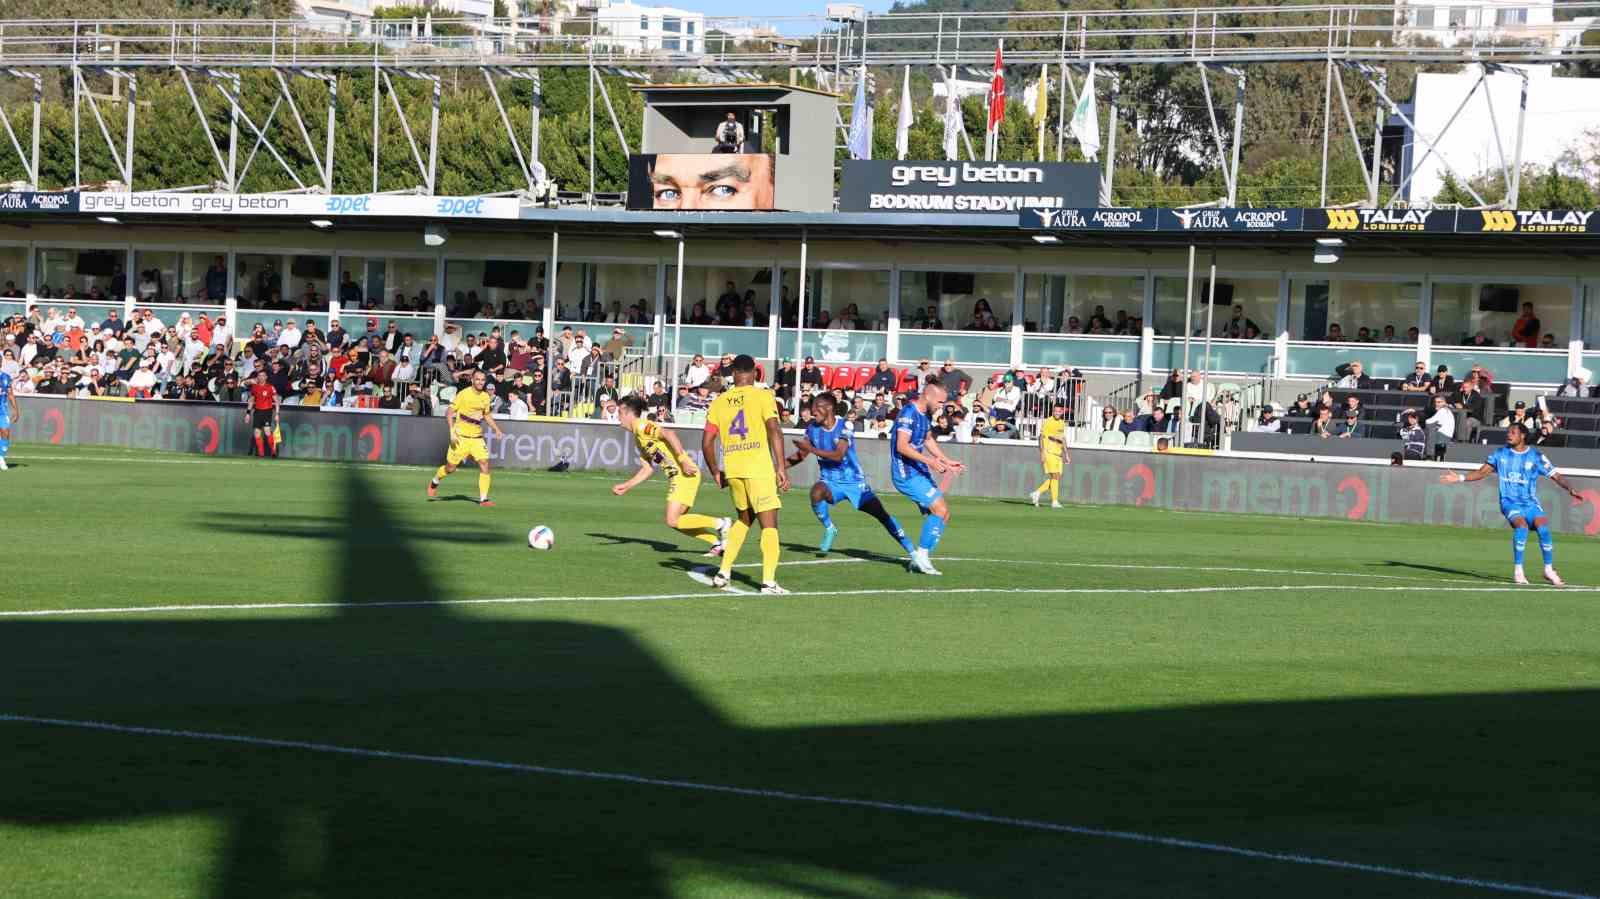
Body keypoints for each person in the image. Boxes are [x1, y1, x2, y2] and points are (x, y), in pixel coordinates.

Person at [1438, 422, 1581, 585]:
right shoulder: (1500, 454)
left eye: (1513, 432)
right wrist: (1461, 478)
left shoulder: (1536, 456)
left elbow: (1556, 475)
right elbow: (1482, 472)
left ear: (1522, 436)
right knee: (1522, 526)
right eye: (1508, 432)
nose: (1509, 435)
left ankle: (1548, 569)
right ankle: (1518, 570)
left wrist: (1570, 489)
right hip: (1509, 502)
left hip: (1530, 503)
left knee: (1543, 528)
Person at [701, 355, 789, 594]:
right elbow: (775, 430)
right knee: (769, 524)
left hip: (734, 469)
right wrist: (780, 467)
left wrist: (715, 471)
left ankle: (723, 572)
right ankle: (768, 582)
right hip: (757, 468)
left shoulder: (719, 401)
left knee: (744, 519)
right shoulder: (763, 396)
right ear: (754, 373)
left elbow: (707, 441)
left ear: (734, 374)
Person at [786, 392, 914, 557]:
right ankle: (830, 528)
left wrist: (810, 449)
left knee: (882, 516)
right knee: (816, 493)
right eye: (812, 408)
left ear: (829, 408)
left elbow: (838, 455)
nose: (813, 412)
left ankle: (913, 552)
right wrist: (779, 467)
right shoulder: (812, 429)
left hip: (854, 483)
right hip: (830, 482)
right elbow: (800, 455)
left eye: (817, 407)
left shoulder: (845, 426)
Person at [612, 396, 731, 556]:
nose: (617, 417)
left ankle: (721, 524)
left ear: (628, 413)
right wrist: (627, 486)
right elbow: (647, 469)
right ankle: (717, 543)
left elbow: (669, 433)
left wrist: (682, 460)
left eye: (619, 412)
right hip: (680, 477)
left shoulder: (642, 426)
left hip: (684, 475)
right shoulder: (638, 438)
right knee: (677, 521)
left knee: (672, 519)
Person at [891, 378, 966, 576]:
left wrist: (946, 461)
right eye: (940, 402)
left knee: (943, 515)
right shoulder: (908, 413)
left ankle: (920, 558)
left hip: (918, 471)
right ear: (929, 395)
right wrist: (930, 462)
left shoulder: (925, 416)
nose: (942, 407)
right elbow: (902, 446)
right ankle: (921, 557)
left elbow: (928, 440)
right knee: (939, 510)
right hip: (905, 473)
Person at [428, 369, 502, 507]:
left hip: (476, 438)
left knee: (484, 464)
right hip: (460, 437)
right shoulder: (463, 394)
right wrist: (451, 431)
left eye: (482, 380)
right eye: (477, 379)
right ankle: (435, 480)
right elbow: (449, 412)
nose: (480, 382)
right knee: (450, 468)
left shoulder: (486, 397)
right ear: (472, 380)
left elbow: (486, 415)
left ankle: (484, 499)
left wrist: (496, 429)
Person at [1028, 399, 1070, 508]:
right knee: (1055, 476)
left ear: (1062, 412)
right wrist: (1042, 453)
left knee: (1056, 477)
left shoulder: (1061, 423)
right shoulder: (1048, 421)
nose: (1056, 413)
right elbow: (1041, 437)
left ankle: (1037, 493)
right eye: (1055, 411)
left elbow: (1062, 439)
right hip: (1049, 452)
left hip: (1058, 454)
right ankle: (1054, 501)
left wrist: (1066, 453)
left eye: (1059, 411)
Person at [245, 369, 279, 458]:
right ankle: (261, 453)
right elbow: (251, 400)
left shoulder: (270, 387)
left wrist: (277, 414)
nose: (261, 377)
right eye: (259, 376)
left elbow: (277, 401)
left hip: (267, 411)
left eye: (263, 376)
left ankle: (273, 451)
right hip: (257, 411)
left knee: (267, 432)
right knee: (256, 433)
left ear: (266, 377)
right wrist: (248, 413)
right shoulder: (255, 387)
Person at [1426, 393, 1455, 461]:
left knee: (1428, 430)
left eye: (1439, 402)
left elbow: (1428, 422)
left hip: (1442, 436)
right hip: (1446, 436)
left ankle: (1429, 455)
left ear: (1444, 402)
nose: (1436, 404)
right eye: (1435, 402)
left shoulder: (1442, 410)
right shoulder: (1446, 410)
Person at [0, 368, 14, 471]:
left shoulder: (6, 377)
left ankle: (1, 457)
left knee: (5, 432)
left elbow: (10, 394)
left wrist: (16, 410)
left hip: (2, 410)